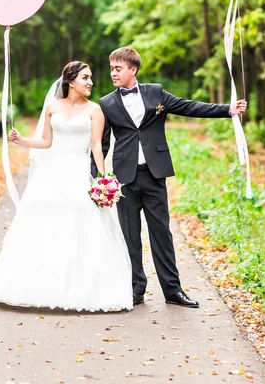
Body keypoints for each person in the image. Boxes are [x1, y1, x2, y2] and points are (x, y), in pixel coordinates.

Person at [0, 61, 133, 312]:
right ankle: (40, 283)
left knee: (80, 224)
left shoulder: (95, 110)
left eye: (90, 77)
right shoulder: (52, 106)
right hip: (52, 174)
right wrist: (22, 141)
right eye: (85, 77)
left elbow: (96, 146)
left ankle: (79, 287)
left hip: (78, 171)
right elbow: (46, 142)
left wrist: (103, 179)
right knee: (45, 223)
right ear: (71, 80)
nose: (90, 82)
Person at [93, 47, 247, 308]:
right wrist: (97, 180)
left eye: (117, 69)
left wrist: (227, 110)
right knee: (130, 237)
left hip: (154, 174)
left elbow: (188, 106)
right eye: (111, 69)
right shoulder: (106, 103)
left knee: (161, 234)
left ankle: (173, 291)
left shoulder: (155, 92)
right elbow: (101, 144)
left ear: (133, 69)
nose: (113, 73)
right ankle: (135, 290)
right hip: (124, 180)